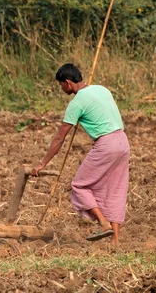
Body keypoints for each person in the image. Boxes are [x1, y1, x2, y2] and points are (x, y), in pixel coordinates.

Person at [31, 63, 130, 245]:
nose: (61, 89)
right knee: (116, 189)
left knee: (79, 185)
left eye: (61, 85)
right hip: (122, 142)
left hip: (106, 145)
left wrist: (42, 164)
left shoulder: (76, 104)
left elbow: (59, 139)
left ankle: (103, 223)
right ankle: (115, 242)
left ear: (68, 83)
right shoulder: (102, 89)